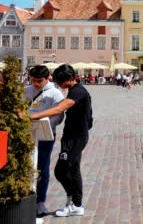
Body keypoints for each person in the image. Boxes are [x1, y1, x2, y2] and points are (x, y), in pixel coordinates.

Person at [29, 64, 93, 217]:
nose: (58, 85)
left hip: (76, 138)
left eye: (60, 82)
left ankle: (75, 203)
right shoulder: (74, 90)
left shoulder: (78, 91)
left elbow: (59, 109)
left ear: (70, 79)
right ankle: (75, 204)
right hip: (72, 136)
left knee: (61, 170)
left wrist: (33, 116)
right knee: (72, 169)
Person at [25, 66, 65, 217]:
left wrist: (46, 122)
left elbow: (60, 116)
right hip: (27, 134)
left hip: (45, 135)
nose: (35, 84)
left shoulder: (55, 94)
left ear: (47, 77)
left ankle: (40, 201)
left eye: (39, 81)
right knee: (26, 165)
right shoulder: (26, 90)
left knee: (42, 167)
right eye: (33, 80)